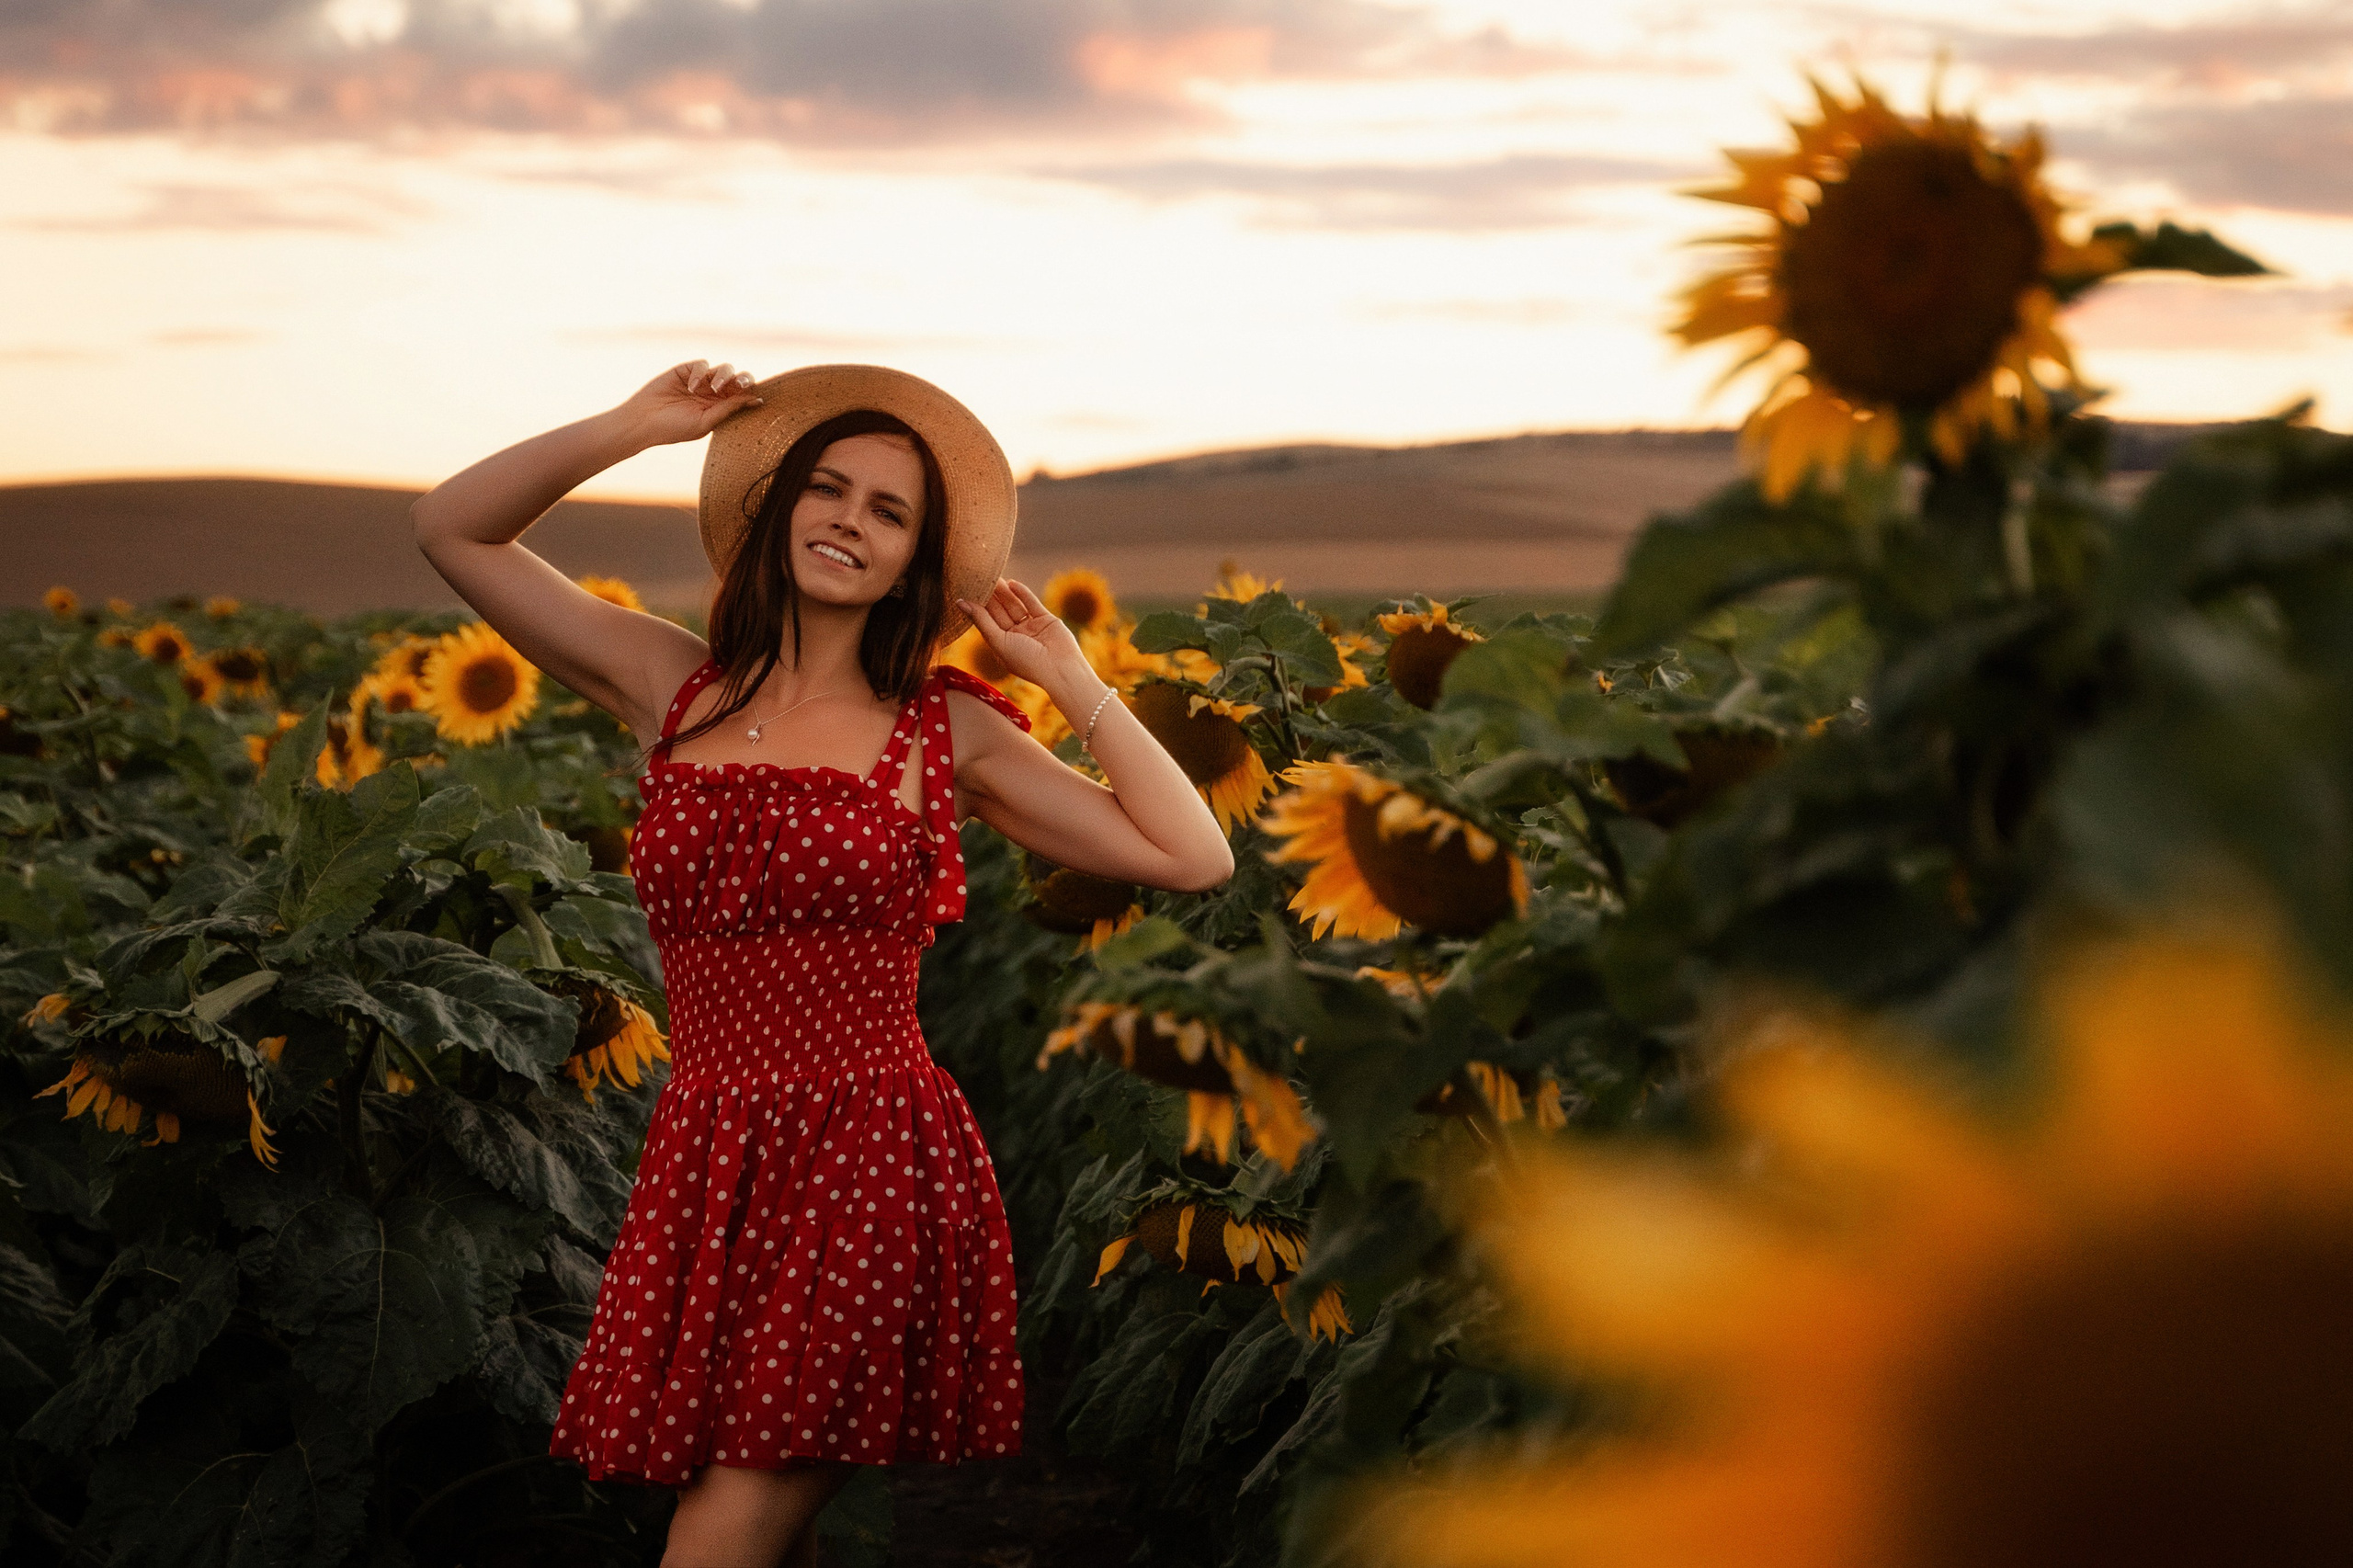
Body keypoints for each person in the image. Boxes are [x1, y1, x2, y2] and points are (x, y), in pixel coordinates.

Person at [412, 359, 1234, 1567]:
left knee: (723, 1532)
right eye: (829, 488)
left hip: (868, 1164)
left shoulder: (939, 729)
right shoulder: (667, 685)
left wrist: (1074, 680)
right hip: (709, 1161)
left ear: (914, 564)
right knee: (754, 1523)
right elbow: (448, 528)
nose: (850, 517)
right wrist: (635, 427)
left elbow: (1192, 853)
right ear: (778, 509)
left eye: (890, 511)